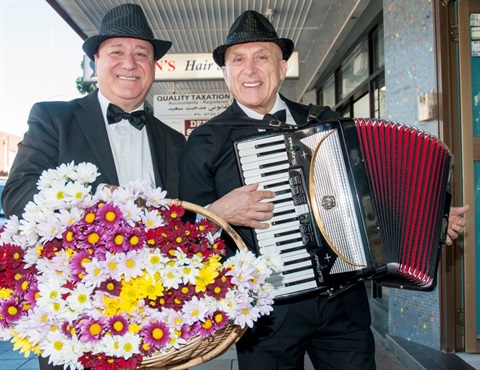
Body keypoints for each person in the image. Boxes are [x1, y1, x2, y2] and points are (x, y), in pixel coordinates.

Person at [178, 10, 469, 370]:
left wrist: (430, 223)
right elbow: (185, 236)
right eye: (238, 59)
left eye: (262, 57)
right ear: (226, 72)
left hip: (343, 307)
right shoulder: (206, 140)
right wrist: (219, 212)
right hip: (268, 315)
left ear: (282, 68)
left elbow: (371, 193)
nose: (249, 69)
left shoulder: (324, 121)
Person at [1, 4, 185, 370]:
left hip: (157, 323)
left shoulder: (175, 142)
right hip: (74, 320)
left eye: (141, 54)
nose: (129, 63)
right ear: (94, 62)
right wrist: (98, 201)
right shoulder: (53, 119)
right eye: (116, 52)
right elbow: (18, 194)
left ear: (154, 67)